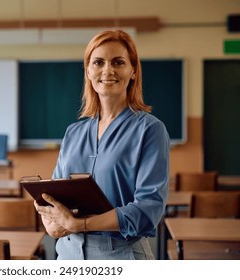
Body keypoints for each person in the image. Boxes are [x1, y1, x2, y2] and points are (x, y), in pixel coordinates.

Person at [34, 29, 170, 260]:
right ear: (88, 71)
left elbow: (148, 209)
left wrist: (82, 224)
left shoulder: (150, 129)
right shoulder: (73, 132)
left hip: (120, 253)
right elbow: (55, 194)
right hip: (68, 253)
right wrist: (50, 221)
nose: (108, 70)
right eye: (98, 62)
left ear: (133, 71)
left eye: (118, 62)